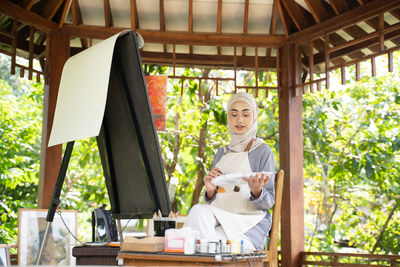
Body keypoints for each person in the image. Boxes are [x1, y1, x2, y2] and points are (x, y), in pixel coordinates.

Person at [184, 92, 275, 252]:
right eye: (234, 114)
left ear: (254, 117)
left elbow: (269, 201)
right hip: (220, 219)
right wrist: (211, 191)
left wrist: (257, 191)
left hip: (248, 228)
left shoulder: (263, 151)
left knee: (199, 244)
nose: (239, 119)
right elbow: (218, 198)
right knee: (198, 211)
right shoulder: (222, 152)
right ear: (228, 118)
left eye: (245, 114)